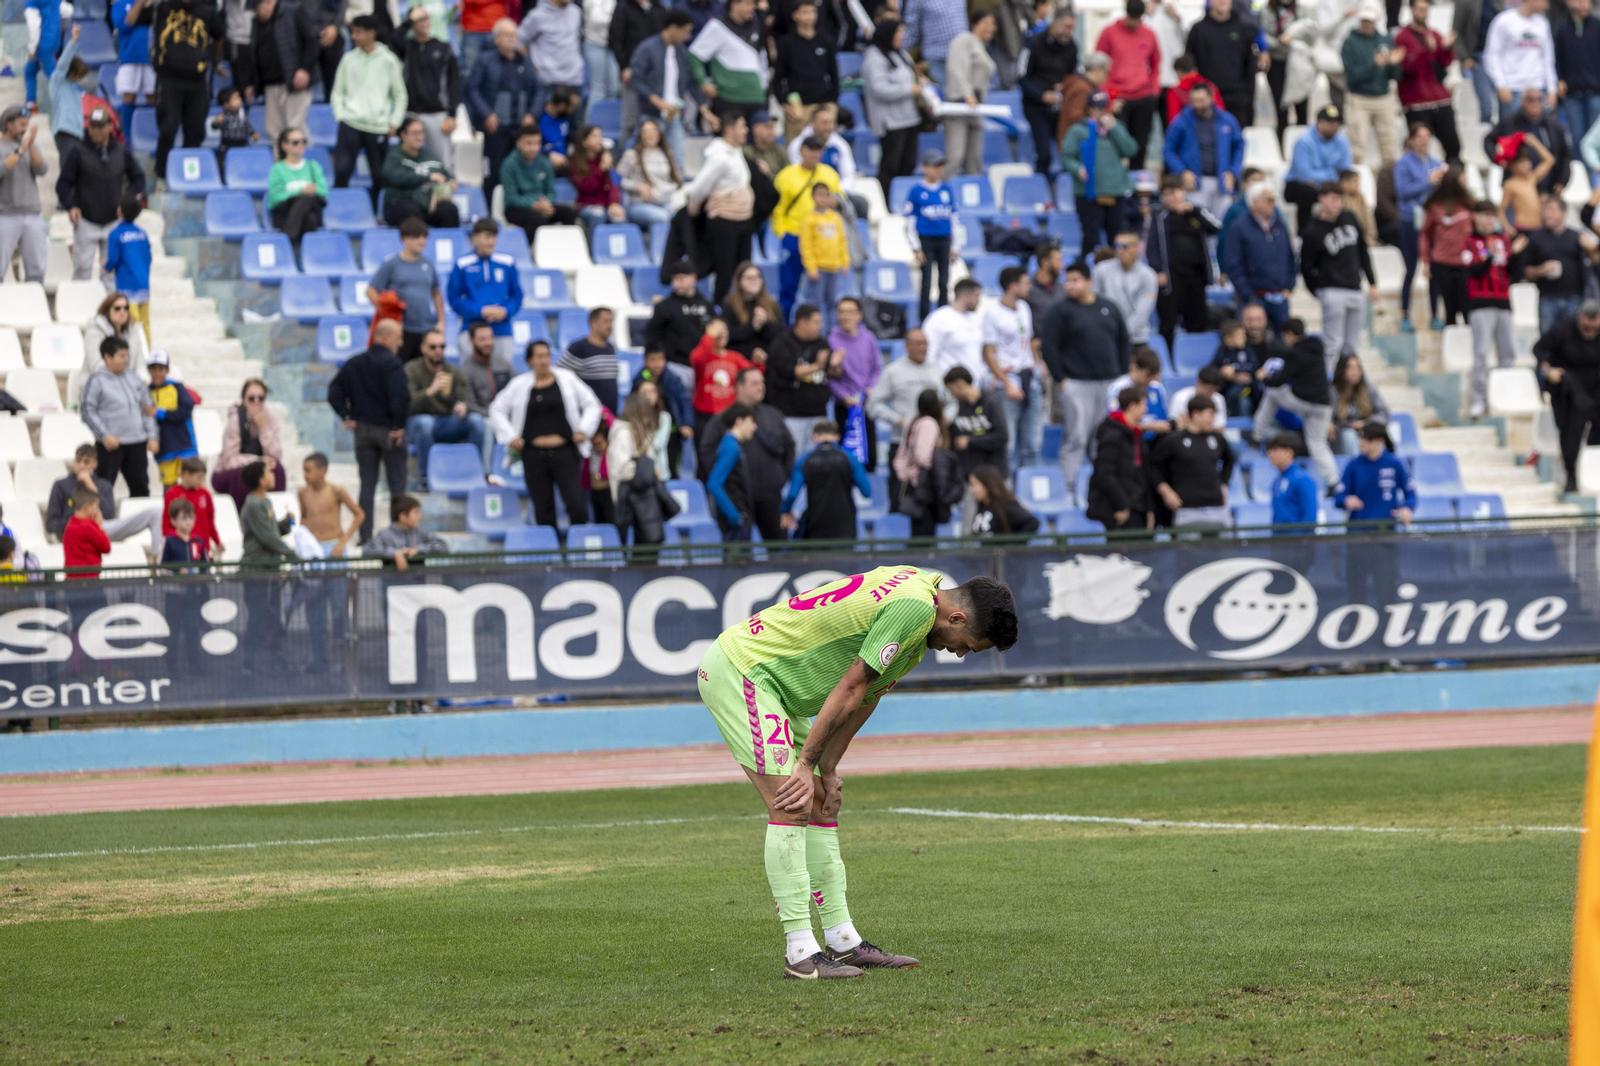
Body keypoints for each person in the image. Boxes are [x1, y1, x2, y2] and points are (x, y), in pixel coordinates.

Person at [696, 564, 1015, 976]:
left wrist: (828, 767)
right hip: (744, 670)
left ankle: (842, 941)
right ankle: (799, 953)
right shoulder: (914, 609)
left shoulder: (920, 617)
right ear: (958, 618)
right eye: (967, 645)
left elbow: (866, 697)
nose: (959, 653)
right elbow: (851, 685)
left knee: (822, 801)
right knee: (791, 804)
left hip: (774, 686)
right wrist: (805, 764)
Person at [488, 340, 605, 528]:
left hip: (564, 452)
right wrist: (510, 437)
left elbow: (592, 404)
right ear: (529, 361)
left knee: (576, 504)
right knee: (543, 509)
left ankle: (578, 549)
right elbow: (497, 408)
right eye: (539, 356)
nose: (544, 360)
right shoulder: (519, 384)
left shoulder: (567, 378)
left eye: (547, 355)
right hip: (533, 455)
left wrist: (584, 429)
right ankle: (551, 551)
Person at [1041, 262, 1131, 498]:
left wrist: (1122, 376)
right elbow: (1049, 347)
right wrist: (1062, 379)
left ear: (1089, 281)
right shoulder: (1060, 310)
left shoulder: (1108, 307)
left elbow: (1123, 341)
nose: (1069, 285)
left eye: (1075, 280)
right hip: (1076, 383)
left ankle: (1102, 485)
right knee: (1077, 436)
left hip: (1109, 382)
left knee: (1105, 438)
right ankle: (1068, 488)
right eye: (1067, 280)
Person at [327, 320, 409, 542]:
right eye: (398, 338)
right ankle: (398, 538)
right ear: (385, 337)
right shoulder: (393, 365)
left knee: (367, 486)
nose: (400, 343)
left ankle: (366, 537)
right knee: (397, 488)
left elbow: (334, 392)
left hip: (362, 431)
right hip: (388, 432)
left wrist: (346, 415)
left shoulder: (355, 363)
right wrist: (398, 426)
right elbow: (400, 398)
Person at [697, 366, 794, 539]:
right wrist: (730, 483)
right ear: (740, 387)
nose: (761, 387)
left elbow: (789, 447)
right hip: (738, 499)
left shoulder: (773, 415)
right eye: (755, 383)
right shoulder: (722, 420)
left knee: (779, 550)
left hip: (770, 496)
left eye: (762, 382)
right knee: (740, 556)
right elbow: (707, 452)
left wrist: (782, 476)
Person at [55, 108, 145, 283]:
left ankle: (109, 309)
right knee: (82, 269)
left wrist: (127, 203)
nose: (96, 131)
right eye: (93, 126)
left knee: (110, 273)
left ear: (110, 126)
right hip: (86, 220)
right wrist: (71, 206)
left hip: (113, 221)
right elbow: (63, 184)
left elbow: (138, 178)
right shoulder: (78, 151)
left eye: (101, 126)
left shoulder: (121, 151)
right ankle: (80, 308)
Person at [1252, 318, 1340, 488]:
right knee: (1317, 443)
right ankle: (1333, 481)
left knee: (1272, 393)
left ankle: (1257, 436)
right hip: (1324, 405)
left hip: (1302, 401)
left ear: (1289, 335)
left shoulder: (1294, 353)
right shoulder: (1318, 347)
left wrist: (1263, 379)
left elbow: (1280, 380)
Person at [1300, 181, 1379, 368]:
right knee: (1332, 343)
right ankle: (1327, 386)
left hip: (1355, 288)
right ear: (1322, 199)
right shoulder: (1312, 230)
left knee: (1351, 346)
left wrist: (1372, 282)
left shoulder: (1349, 217)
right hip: (1332, 290)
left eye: (1340, 199)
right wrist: (1319, 291)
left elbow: (1363, 251)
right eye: (1333, 199)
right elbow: (1306, 267)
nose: (1337, 204)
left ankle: (1346, 388)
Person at [331, 15, 408, 205]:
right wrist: (341, 115)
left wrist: (395, 122)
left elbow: (400, 95)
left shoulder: (389, 60)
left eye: (358, 32)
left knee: (380, 177)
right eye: (353, 32)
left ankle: (373, 215)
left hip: (378, 127)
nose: (354, 36)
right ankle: (341, 212)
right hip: (350, 124)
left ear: (371, 33)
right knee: (341, 172)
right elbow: (337, 92)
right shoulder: (348, 59)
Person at [684, 112, 758, 304]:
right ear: (729, 129)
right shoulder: (719, 157)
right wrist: (694, 208)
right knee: (725, 274)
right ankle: (721, 313)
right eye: (742, 126)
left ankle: (743, 311)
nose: (746, 130)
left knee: (745, 272)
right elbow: (698, 188)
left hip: (743, 220)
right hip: (725, 223)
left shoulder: (737, 151)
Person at [868, 329, 946, 509]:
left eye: (925, 343)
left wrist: (945, 419)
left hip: (934, 448)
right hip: (902, 444)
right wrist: (899, 419)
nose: (922, 348)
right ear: (906, 345)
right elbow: (873, 405)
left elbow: (951, 402)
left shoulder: (937, 371)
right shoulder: (893, 371)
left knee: (931, 503)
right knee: (900, 500)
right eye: (918, 343)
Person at [465, 20, 539, 200]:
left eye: (513, 35)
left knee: (518, 174)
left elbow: (539, 90)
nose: (511, 39)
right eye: (506, 35)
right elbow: (471, 88)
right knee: (493, 174)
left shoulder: (524, 61)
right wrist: (486, 113)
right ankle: (489, 212)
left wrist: (532, 113)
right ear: (496, 38)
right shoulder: (485, 60)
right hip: (495, 129)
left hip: (519, 130)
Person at [44, 443, 165, 554]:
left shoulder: (103, 485)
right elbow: (51, 524)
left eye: (86, 462)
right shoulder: (61, 485)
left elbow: (109, 515)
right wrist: (80, 521)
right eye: (78, 461)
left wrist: (91, 486)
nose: (81, 466)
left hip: (101, 529)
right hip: (73, 530)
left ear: (94, 464)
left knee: (155, 513)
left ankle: (159, 562)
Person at [1147, 173, 1220, 355]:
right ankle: (1169, 358)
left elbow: (1216, 227)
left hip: (1196, 277)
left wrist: (1195, 210)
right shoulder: (1160, 217)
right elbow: (1152, 246)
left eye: (1175, 193)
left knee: (1197, 321)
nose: (1171, 198)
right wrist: (1158, 270)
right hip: (1171, 277)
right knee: (1168, 322)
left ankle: (1194, 356)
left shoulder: (1196, 212)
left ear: (1183, 192)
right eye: (1166, 194)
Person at [1464, 199, 1524, 418]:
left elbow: (1514, 273)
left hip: (1504, 302)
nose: (1489, 220)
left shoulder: (1503, 240)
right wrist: (1489, 255)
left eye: (1492, 215)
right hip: (1480, 303)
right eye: (1485, 215)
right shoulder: (1470, 242)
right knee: (1480, 353)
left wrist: (1517, 255)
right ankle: (1478, 400)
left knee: (1507, 352)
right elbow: (1474, 272)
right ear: (1475, 217)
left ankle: (1503, 395)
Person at [406, 329, 487, 488]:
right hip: (417, 424)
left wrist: (463, 406)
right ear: (423, 348)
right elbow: (406, 405)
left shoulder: (453, 371)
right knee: (425, 423)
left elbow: (465, 398)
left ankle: (473, 472)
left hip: (446, 422)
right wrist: (430, 391)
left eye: (442, 347)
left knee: (476, 421)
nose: (438, 351)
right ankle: (426, 479)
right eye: (433, 347)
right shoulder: (411, 370)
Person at [151, 0, 223, 180]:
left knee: (196, 131)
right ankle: (162, 174)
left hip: (197, 81)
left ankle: (189, 177)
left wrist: (215, 62)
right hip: (169, 79)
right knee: (168, 127)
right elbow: (130, 21)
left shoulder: (207, 11)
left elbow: (220, 36)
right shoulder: (163, 8)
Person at [1062, 91, 1140, 257]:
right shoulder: (1077, 130)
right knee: (1091, 238)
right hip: (1089, 194)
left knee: (1117, 238)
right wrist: (1078, 169)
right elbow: (1067, 156)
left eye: (1102, 108)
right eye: (1095, 108)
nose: (1098, 112)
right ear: (1088, 109)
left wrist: (1115, 128)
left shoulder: (1115, 128)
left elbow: (1131, 150)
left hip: (1116, 191)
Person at [772, 136, 842, 316]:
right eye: (810, 149)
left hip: (822, 238)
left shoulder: (829, 174)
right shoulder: (786, 176)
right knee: (788, 286)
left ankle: (820, 332)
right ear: (801, 151)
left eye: (818, 149)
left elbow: (838, 202)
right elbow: (778, 207)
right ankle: (785, 328)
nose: (814, 153)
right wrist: (782, 232)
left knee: (822, 294)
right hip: (794, 234)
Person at [80, 336, 157, 499]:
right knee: (102, 488)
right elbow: (87, 410)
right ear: (107, 357)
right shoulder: (96, 381)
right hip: (111, 445)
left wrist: (152, 436)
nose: (126, 360)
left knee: (141, 488)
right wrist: (104, 435)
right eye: (121, 356)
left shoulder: (134, 378)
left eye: (127, 355)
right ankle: (101, 523)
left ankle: (141, 523)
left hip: (137, 442)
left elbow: (148, 408)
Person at [982, 267, 1042, 470]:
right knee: (1007, 443)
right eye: (1026, 282)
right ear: (1013, 286)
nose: (1030, 287)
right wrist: (1007, 384)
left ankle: (1029, 487)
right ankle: (1005, 491)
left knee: (1033, 443)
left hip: (1029, 379)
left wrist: (1036, 363)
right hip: (1008, 382)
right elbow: (989, 353)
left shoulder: (1024, 307)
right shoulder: (992, 313)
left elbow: (1029, 340)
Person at [860, 18, 924, 201]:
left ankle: (902, 200)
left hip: (910, 117)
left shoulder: (901, 53)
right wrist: (908, 89)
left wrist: (920, 82)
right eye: (898, 33)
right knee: (891, 165)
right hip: (891, 121)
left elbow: (910, 75)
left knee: (909, 163)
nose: (901, 37)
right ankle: (886, 201)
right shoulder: (874, 57)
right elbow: (878, 88)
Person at [1161, 81, 1243, 221]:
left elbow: (1239, 146)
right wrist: (1182, 171)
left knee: (1222, 223)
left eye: (1201, 100)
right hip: (1195, 182)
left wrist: (1233, 172)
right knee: (1196, 222)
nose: (1198, 105)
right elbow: (1168, 150)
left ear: (1211, 98)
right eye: (1194, 101)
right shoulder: (1181, 122)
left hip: (1221, 181)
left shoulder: (1227, 120)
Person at [368, 217, 445, 363]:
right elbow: (371, 290)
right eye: (416, 237)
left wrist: (441, 322)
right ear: (404, 239)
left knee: (423, 371)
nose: (421, 241)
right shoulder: (391, 263)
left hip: (425, 328)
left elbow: (436, 293)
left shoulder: (428, 264)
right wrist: (387, 314)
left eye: (424, 237)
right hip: (401, 330)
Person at [447, 218, 523, 364]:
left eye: (494, 236)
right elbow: (454, 298)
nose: (492, 241)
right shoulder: (462, 264)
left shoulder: (507, 262)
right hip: (471, 330)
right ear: (475, 237)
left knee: (502, 375)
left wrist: (506, 311)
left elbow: (517, 295)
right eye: (487, 236)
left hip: (502, 330)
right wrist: (480, 311)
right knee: (471, 376)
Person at [1096, 0, 1162, 165]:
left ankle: (1137, 184)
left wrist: (1154, 90)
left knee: (1140, 145)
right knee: (1116, 144)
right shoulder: (1109, 32)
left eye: (1138, 18)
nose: (1134, 21)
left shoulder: (1149, 34)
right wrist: (1109, 96)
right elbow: (1098, 65)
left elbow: (1155, 64)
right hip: (1118, 97)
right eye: (1132, 17)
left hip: (1143, 96)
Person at [1223, 183, 1296, 330]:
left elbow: (1290, 258)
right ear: (1255, 202)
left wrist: (1289, 285)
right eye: (1269, 200)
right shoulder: (1238, 227)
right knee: (1250, 344)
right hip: (1252, 298)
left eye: (1274, 200)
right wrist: (1249, 295)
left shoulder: (1280, 226)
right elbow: (1233, 264)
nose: (1273, 204)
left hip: (1280, 297)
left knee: (1282, 344)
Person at [781, 418, 871, 538]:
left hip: (816, 523)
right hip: (845, 523)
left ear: (814, 437)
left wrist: (785, 511)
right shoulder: (850, 459)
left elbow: (792, 494)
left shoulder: (804, 460)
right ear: (837, 437)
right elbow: (866, 492)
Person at [1393, 124, 1446, 330]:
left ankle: (1435, 314)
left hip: (1431, 222)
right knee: (1411, 267)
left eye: (1427, 136)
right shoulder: (1404, 163)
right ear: (1412, 139)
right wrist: (1427, 181)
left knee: (1433, 268)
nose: (1424, 140)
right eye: (1420, 136)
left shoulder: (1435, 163)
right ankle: (1405, 314)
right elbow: (1402, 192)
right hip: (1410, 221)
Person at [245, 0, 317, 150]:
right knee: (274, 132)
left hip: (295, 83)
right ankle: (281, 171)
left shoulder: (294, 11)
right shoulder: (257, 23)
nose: (255, 13)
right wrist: (253, 82)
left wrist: (304, 69)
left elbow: (311, 41)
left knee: (295, 130)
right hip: (270, 84)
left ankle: (301, 171)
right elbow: (254, 54)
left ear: (267, 2)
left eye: (256, 9)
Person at [629, 12, 699, 164]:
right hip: (650, 115)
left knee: (678, 160)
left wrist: (704, 109)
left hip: (674, 115)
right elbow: (636, 80)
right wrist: (658, 102)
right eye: (685, 31)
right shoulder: (647, 48)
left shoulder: (682, 52)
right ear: (673, 28)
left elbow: (688, 83)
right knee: (646, 161)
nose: (687, 36)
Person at [766, 305, 836, 457]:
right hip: (791, 415)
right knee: (794, 458)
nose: (820, 327)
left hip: (818, 413)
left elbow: (831, 373)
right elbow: (789, 371)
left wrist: (836, 365)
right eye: (816, 322)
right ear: (803, 323)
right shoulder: (782, 343)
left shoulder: (821, 343)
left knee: (819, 460)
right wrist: (817, 365)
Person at [1395, 0, 1459, 164]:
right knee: (1419, 149)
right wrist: (1426, 51)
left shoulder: (1434, 34)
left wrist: (1445, 48)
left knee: (1453, 146)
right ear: (1411, 10)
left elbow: (1445, 64)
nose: (1424, 13)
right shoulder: (1402, 37)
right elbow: (1406, 68)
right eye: (1421, 9)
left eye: (1426, 10)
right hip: (1417, 102)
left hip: (1440, 99)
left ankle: (1453, 182)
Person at [689, 0, 770, 127]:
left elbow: (761, 58)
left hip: (757, 98)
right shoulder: (717, 26)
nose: (752, 8)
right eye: (748, 4)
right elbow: (695, 55)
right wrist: (703, 83)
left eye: (753, 4)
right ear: (734, 5)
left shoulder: (756, 25)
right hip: (729, 100)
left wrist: (764, 87)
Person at [1340, 4, 1402, 168]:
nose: (1367, 23)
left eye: (1370, 20)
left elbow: (1395, 75)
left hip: (1383, 97)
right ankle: (1354, 186)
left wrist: (1394, 64)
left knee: (1389, 146)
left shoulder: (1385, 40)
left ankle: (1389, 187)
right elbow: (1352, 76)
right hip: (1359, 98)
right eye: (1364, 20)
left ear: (1376, 20)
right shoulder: (1350, 43)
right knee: (1357, 146)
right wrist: (1374, 64)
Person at [1086, 386, 1154, 530]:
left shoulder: (1137, 435)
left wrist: (1148, 508)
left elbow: (1143, 474)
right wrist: (1123, 505)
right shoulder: (1112, 435)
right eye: (1143, 405)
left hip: (1137, 507)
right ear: (1132, 406)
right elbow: (1105, 474)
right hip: (1116, 511)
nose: (1145, 410)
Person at [400, 6, 462, 168]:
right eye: (418, 20)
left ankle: (443, 193)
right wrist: (408, 21)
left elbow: (454, 83)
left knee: (442, 162)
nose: (424, 23)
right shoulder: (406, 47)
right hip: (411, 113)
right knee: (409, 161)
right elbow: (392, 39)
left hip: (437, 113)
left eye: (426, 18)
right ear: (411, 23)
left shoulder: (444, 48)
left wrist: (452, 114)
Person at [1020, 11, 1080, 175]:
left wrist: (1065, 86)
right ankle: (1042, 188)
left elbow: (1074, 74)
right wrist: (1042, 95)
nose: (1069, 31)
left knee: (1069, 150)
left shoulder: (1072, 46)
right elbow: (1021, 77)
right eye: (1066, 27)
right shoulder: (1033, 43)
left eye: (1072, 28)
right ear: (1055, 23)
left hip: (1060, 106)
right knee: (1044, 153)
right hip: (1036, 106)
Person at [212, 377, 288, 506]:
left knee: (278, 471)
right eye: (251, 398)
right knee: (242, 476)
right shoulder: (235, 420)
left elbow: (276, 456)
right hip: (227, 473)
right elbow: (230, 461)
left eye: (261, 398)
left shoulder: (270, 418)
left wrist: (263, 427)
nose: (256, 402)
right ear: (243, 400)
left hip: (259, 469)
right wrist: (257, 461)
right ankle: (243, 519)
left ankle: (274, 514)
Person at [826, 297, 881, 467]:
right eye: (842, 312)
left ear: (859, 315)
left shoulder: (869, 338)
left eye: (850, 312)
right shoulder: (831, 340)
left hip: (866, 402)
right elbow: (828, 377)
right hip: (844, 405)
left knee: (870, 456)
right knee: (845, 457)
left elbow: (877, 368)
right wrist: (844, 396)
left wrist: (871, 388)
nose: (845, 316)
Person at [500, 124, 579, 242]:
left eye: (537, 143)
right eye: (529, 143)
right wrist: (534, 205)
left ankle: (567, 248)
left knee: (568, 213)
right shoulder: (509, 165)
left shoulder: (545, 162)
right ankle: (530, 251)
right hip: (516, 209)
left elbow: (551, 191)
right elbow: (511, 198)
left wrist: (546, 203)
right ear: (519, 143)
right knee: (537, 220)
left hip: (543, 206)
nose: (533, 148)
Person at [940, 11, 997, 176]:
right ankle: (944, 193)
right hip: (959, 104)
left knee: (975, 158)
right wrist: (968, 95)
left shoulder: (982, 46)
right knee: (955, 156)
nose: (990, 28)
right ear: (975, 24)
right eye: (986, 23)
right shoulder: (963, 40)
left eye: (992, 24)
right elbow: (956, 69)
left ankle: (973, 196)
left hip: (976, 108)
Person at [773, 0, 839, 141]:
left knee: (826, 149)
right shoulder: (786, 43)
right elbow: (778, 77)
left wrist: (833, 101)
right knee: (795, 151)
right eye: (804, 12)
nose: (809, 16)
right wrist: (784, 103)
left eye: (812, 12)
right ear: (795, 15)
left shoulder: (826, 41)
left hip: (824, 104)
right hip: (799, 107)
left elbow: (834, 73)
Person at [1185, 0, 1258, 128]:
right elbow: (1189, 66)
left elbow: (1250, 66)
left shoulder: (1243, 28)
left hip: (1237, 98)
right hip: (1208, 99)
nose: (1222, 1)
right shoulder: (1198, 30)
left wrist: (1248, 96)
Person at [893, 388, 956, 536]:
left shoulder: (913, 422)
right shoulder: (929, 423)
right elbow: (923, 456)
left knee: (919, 530)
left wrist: (905, 474)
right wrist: (936, 470)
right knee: (924, 532)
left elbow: (900, 456)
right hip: (925, 487)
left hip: (915, 485)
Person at [1488, 87, 1570, 199]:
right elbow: (1488, 140)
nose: (1535, 103)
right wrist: (1497, 159)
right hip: (1517, 185)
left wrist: (1562, 180)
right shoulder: (1510, 122)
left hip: (1546, 187)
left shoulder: (1553, 125)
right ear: (1522, 102)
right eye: (1530, 100)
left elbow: (1562, 156)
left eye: (1538, 99)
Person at [1420, 167, 1476, 328]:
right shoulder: (1435, 206)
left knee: (1467, 306)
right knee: (1449, 307)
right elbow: (1425, 234)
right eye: (1463, 181)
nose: (1466, 184)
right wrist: (1425, 260)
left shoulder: (1469, 204)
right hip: (1442, 262)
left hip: (1465, 263)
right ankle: (1451, 343)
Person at [1524, 192, 1588, 332]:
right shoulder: (1536, 238)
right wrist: (1541, 270)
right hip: (1547, 298)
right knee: (1547, 343)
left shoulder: (1577, 237)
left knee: (1572, 344)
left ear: (1563, 213)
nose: (1547, 215)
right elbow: (1526, 272)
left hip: (1574, 298)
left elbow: (1588, 269)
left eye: (1552, 210)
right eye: (1545, 211)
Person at [381, 117, 460, 228]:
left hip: (429, 206)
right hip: (401, 203)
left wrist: (451, 181)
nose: (420, 137)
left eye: (422, 132)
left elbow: (446, 174)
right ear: (403, 135)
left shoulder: (431, 156)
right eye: (415, 133)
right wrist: (428, 176)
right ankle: (415, 245)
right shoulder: (394, 155)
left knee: (449, 210)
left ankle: (446, 244)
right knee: (410, 211)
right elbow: (393, 176)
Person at [1283, 105, 1352, 231]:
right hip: (1297, 185)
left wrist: (1327, 177)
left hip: (1328, 185)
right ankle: (1304, 235)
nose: (1334, 126)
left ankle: (1346, 233)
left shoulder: (1342, 141)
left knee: (1349, 188)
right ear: (1319, 123)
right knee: (1306, 191)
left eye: (1336, 123)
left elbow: (1345, 170)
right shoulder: (1304, 142)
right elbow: (1304, 176)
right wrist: (1332, 173)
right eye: (1330, 122)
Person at [649, 260, 716, 389]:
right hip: (675, 365)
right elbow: (652, 336)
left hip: (704, 366)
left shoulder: (706, 305)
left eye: (681, 278)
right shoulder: (664, 307)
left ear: (693, 278)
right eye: (674, 279)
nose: (676, 283)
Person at [0, 105, 48, 285]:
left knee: (36, 272)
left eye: (26, 124)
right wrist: (20, 151)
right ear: (8, 125)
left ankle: (35, 307)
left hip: (32, 215)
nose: (24, 128)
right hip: (5, 216)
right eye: (21, 124)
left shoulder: (28, 146)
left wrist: (31, 146)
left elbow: (42, 169)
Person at [517, 0, 585, 116]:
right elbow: (519, 42)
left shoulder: (576, 13)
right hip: (548, 81)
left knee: (574, 130)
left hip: (573, 81)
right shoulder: (537, 15)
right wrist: (531, 65)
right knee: (543, 128)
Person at [1484, 0, 1558, 106]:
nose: (1547, 6)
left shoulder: (1543, 23)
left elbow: (1548, 58)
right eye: (1544, 1)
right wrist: (1500, 85)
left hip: (1538, 88)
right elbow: (1492, 55)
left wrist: (1552, 89)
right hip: (1512, 88)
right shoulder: (1504, 20)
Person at [798, 186, 851, 330]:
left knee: (832, 302)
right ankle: (816, 331)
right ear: (813, 197)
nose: (823, 198)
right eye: (819, 195)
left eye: (826, 195)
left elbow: (842, 241)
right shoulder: (808, 219)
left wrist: (844, 261)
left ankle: (831, 332)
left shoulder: (835, 217)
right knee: (816, 303)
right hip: (819, 269)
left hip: (834, 267)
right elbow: (806, 245)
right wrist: (811, 267)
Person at [943, 366, 1009, 479]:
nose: (951, 394)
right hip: (969, 477)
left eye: (951, 389)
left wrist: (970, 441)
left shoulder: (990, 402)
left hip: (994, 476)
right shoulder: (957, 407)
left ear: (960, 383)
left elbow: (1002, 436)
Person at [103, 196, 153, 343]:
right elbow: (148, 257)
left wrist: (106, 266)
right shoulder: (142, 233)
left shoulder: (116, 234)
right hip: (143, 283)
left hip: (127, 285)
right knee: (145, 323)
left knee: (132, 324)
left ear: (119, 211)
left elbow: (113, 259)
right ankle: (147, 353)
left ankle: (135, 353)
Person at [266, 126, 327, 244]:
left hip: (309, 209)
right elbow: (275, 198)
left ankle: (287, 238)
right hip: (286, 214)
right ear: (284, 146)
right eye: (295, 142)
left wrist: (312, 190)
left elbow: (323, 191)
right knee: (310, 217)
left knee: (307, 201)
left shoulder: (313, 166)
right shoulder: (277, 169)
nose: (300, 145)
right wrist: (300, 191)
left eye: (303, 141)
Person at [618, 118, 683, 229]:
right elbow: (617, 179)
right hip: (640, 204)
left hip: (665, 201)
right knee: (664, 217)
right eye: (645, 131)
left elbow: (677, 180)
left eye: (653, 130)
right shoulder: (632, 154)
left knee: (682, 217)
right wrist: (637, 186)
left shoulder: (667, 153)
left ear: (659, 133)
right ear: (640, 134)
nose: (650, 134)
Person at [706, 402, 758, 540]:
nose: (754, 427)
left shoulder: (732, 445)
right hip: (737, 523)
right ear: (739, 421)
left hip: (739, 518)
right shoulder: (731, 448)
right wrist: (734, 516)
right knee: (737, 561)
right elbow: (714, 484)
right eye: (751, 421)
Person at [297, 451, 364, 557]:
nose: (305, 475)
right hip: (312, 546)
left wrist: (342, 543)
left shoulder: (336, 491)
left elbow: (359, 515)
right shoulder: (302, 493)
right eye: (304, 471)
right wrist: (302, 544)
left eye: (308, 471)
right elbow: (304, 518)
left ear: (322, 470)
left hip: (334, 546)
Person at [146, 350, 196, 487]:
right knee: (169, 489)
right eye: (153, 369)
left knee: (192, 486)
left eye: (160, 369)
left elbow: (186, 410)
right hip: (165, 450)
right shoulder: (145, 391)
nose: (157, 373)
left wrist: (160, 413)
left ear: (167, 370)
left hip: (185, 447)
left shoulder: (177, 387)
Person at [922, 278, 986, 386]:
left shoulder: (976, 320)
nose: (979, 300)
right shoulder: (939, 318)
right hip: (950, 388)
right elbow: (929, 355)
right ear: (965, 297)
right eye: (977, 296)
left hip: (974, 389)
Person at [1559, 0, 1600, 166]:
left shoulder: (1597, 27)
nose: (1586, 5)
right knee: (1577, 137)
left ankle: (1595, 179)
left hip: (1596, 92)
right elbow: (1558, 58)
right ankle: (1579, 177)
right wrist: (1559, 79)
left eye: (1589, 2)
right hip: (1572, 94)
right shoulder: (1563, 29)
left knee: (1595, 140)